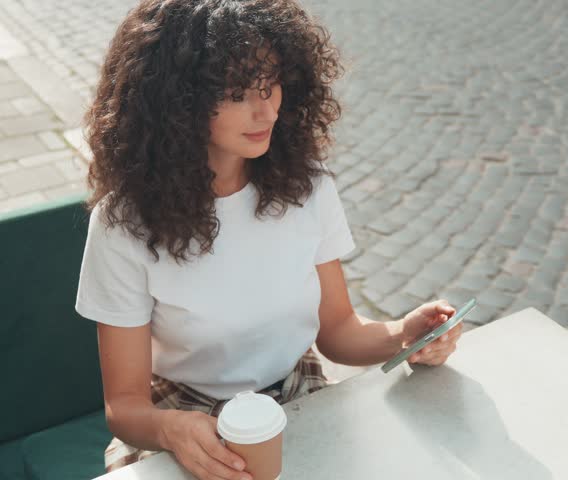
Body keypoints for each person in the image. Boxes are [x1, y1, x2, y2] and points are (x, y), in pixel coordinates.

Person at [75, 0, 463, 478]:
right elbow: (125, 406)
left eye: (270, 83)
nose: (266, 110)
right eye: (238, 93)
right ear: (176, 101)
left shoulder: (307, 187)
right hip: (184, 415)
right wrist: (168, 429)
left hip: (300, 395)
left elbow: (339, 332)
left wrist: (405, 334)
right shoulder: (123, 225)